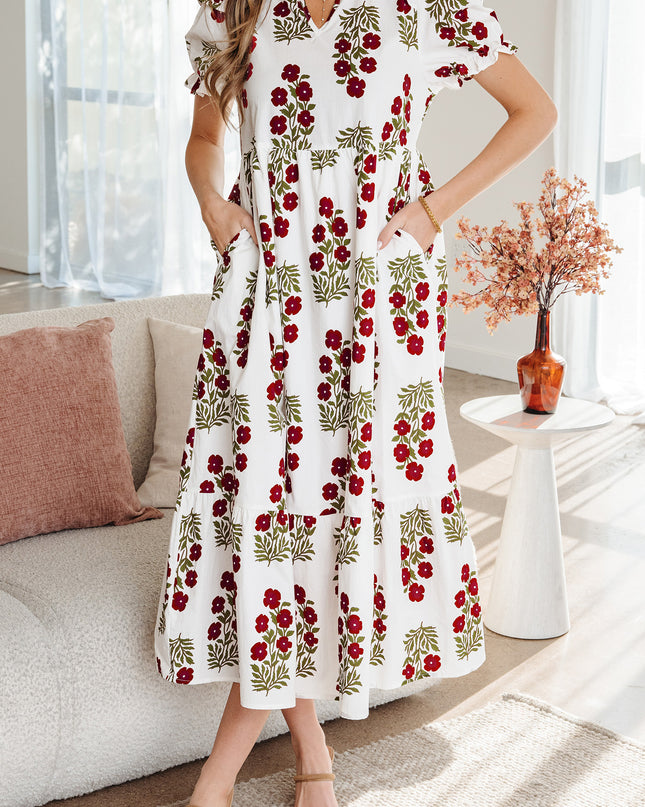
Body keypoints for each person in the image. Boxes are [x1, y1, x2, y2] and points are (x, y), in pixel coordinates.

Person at [154, 1, 557, 805]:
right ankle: (297, 753)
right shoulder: (234, 9)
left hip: (377, 301)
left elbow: (534, 111)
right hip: (268, 291)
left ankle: (233, 773)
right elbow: (206, 135)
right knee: (278, 507)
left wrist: (431, 211)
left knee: (338, 508)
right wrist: (213, 204)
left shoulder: (423, 7)